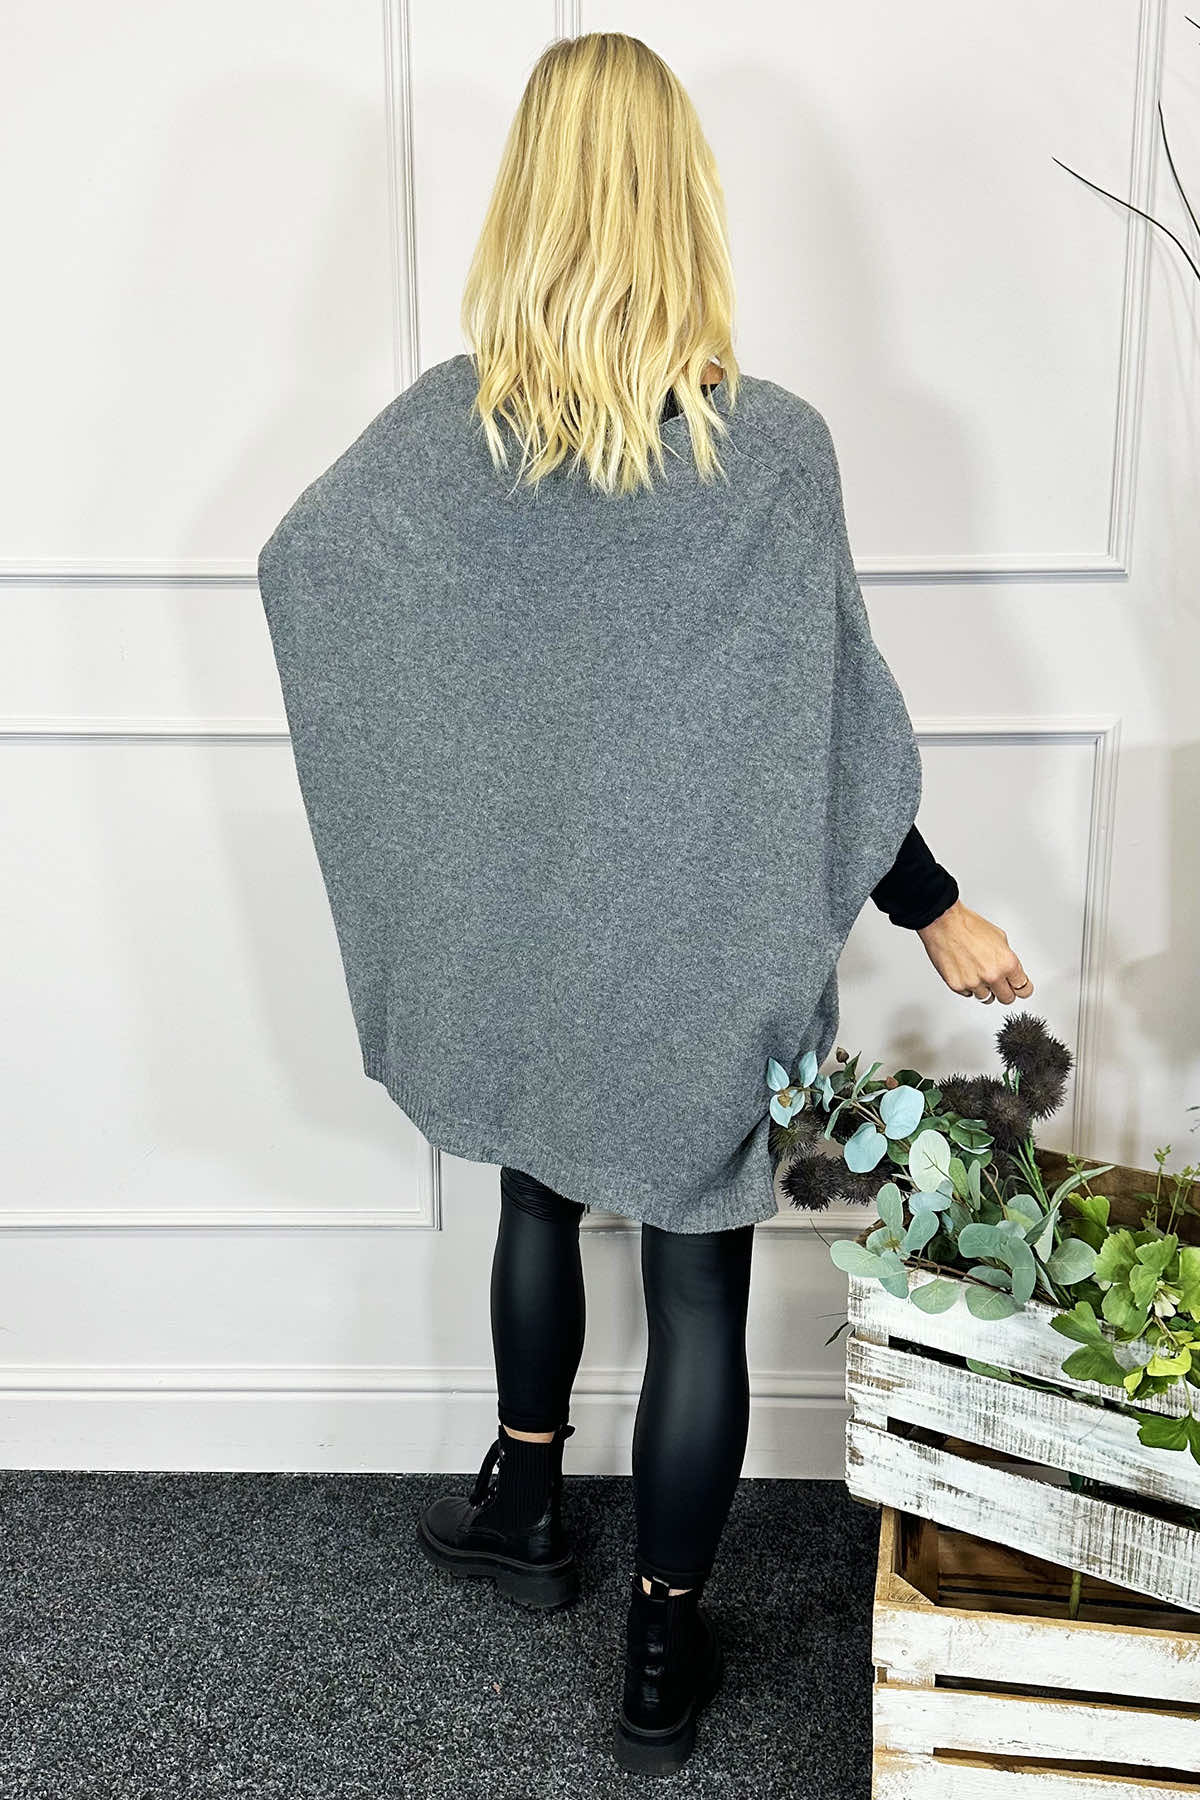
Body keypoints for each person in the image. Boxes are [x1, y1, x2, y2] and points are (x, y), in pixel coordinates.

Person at [257, 31, 1033, 1780]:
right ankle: (661, 1649)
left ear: (526, 202)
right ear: (687, 200)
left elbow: (304, 570)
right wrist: (933, 905)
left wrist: (456, 822)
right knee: (699, 1292)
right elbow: (839, 726)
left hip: (527, 930)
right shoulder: (774, 451)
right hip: (706, 954)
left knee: (534, 1198)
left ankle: (526, 1505)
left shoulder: (448, 434)